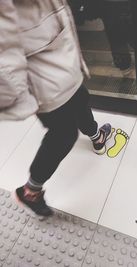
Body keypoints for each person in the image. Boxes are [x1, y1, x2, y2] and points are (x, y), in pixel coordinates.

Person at [0, 0, 111, 216]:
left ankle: (96, 136)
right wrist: (23, 102)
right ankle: (30, 192)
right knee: (64, 135)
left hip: (62, 63)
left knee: (81, 98)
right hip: (45, 85)